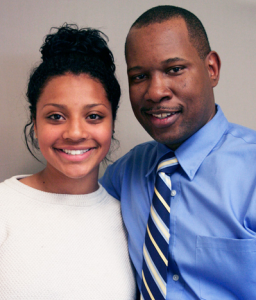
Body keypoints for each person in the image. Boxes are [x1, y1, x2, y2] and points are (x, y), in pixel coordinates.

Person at [100, 5, 256, 300]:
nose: (156, 91)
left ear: (212, 69)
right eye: (139, 76)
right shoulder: (122, 175)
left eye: (174, 69)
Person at [0, 24, 137, 299]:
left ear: (112, 123)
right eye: (56, 116)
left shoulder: (130, 219)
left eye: (94, 116)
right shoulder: (4, 205)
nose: (75, 133)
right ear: (35, 124)